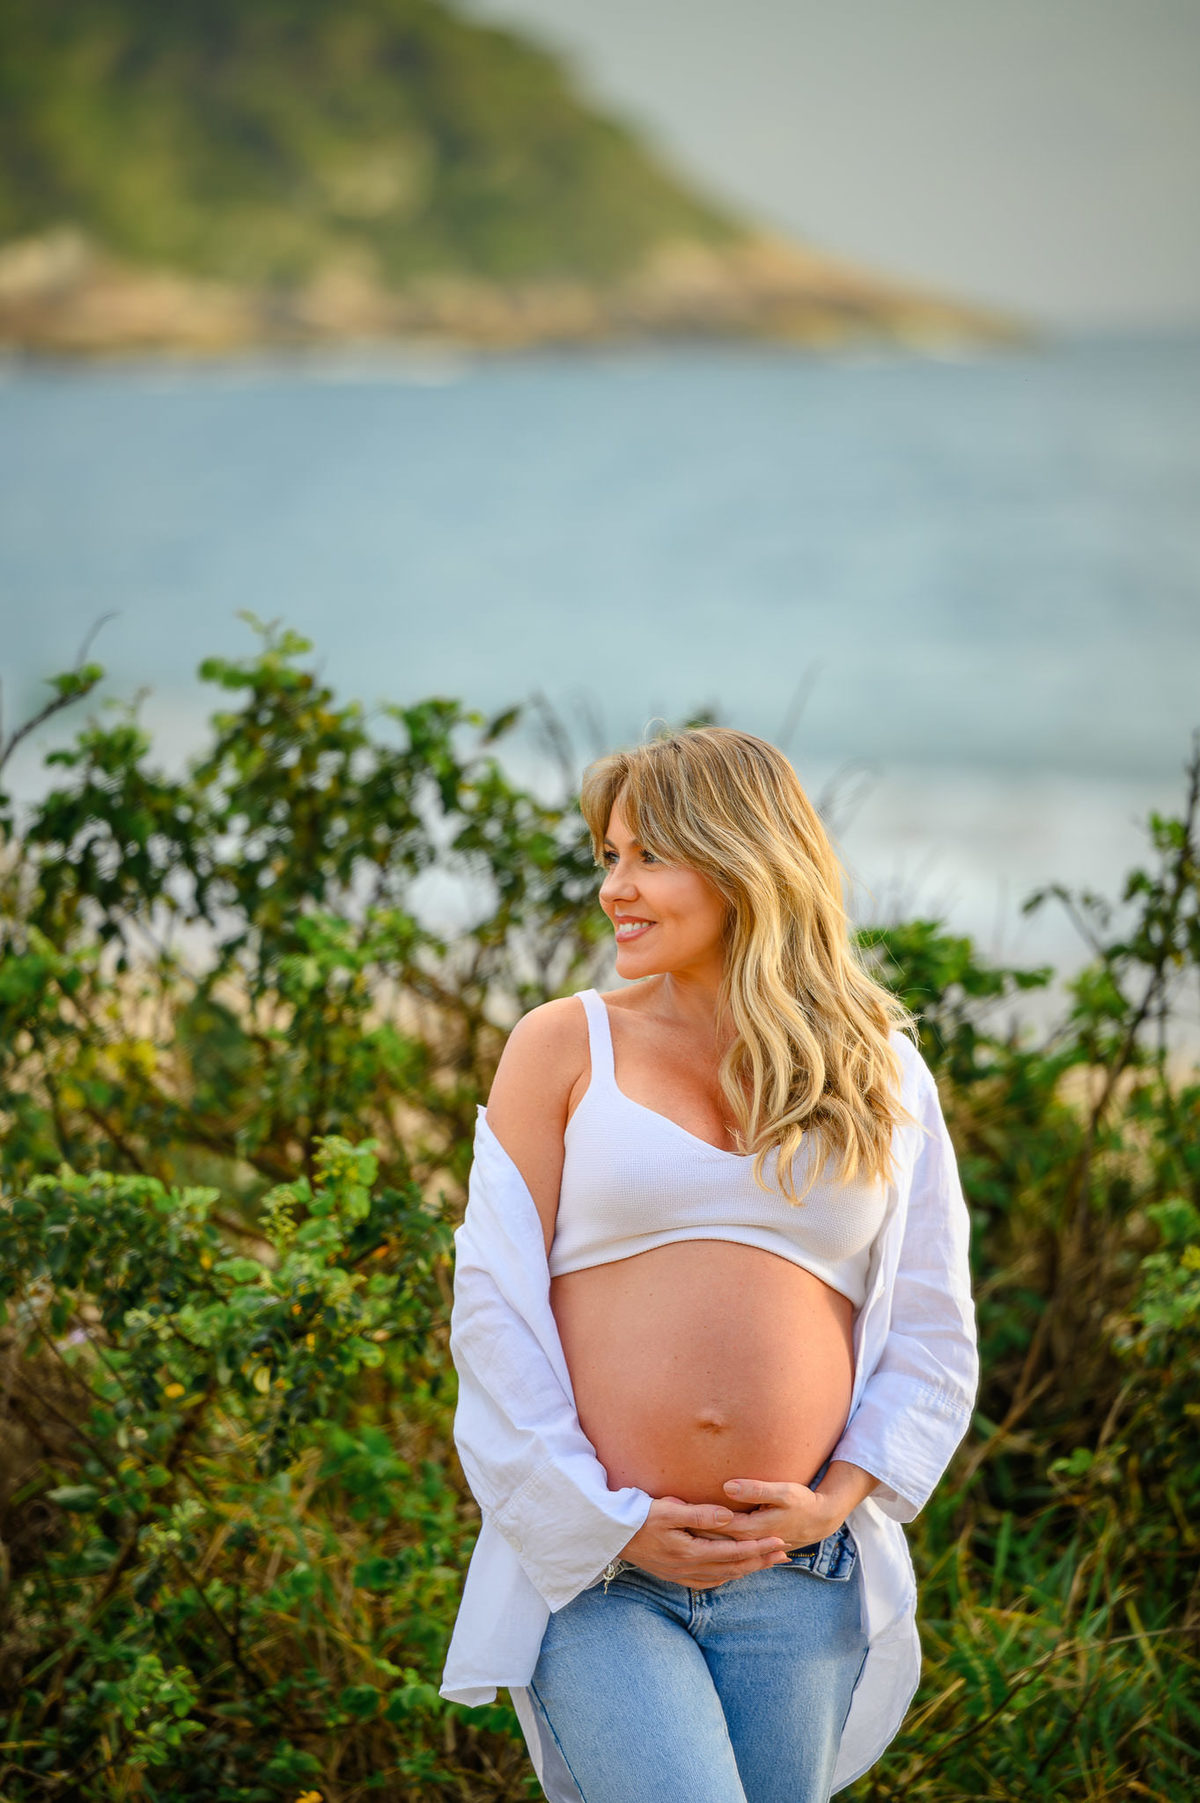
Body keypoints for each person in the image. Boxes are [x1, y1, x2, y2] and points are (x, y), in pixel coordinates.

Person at [439, 727, 978, 1803]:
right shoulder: (562, 1043)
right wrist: (610, 1521)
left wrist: (837, 1502)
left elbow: (931, 1316)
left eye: (648, 858)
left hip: (801, 1578)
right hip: (604, 1576)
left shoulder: (878, 1063)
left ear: (741, 861)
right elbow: (492, 1310)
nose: (616, 892)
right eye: (608, 858)